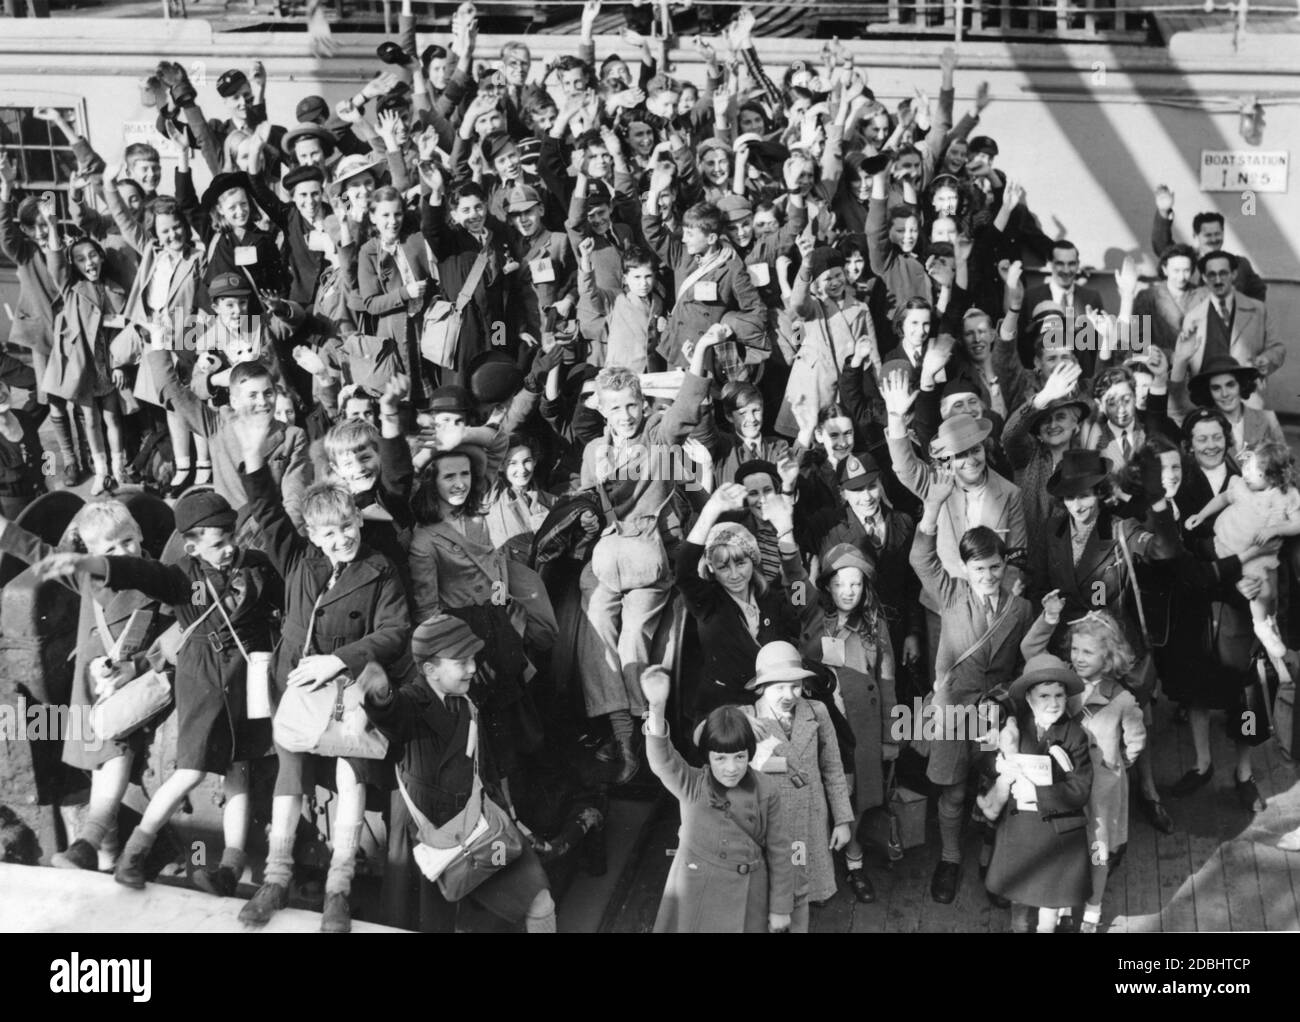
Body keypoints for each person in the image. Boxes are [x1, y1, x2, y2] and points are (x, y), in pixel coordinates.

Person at [36, 490, 279, 897]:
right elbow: (68, 562)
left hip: (197, 679)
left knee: (235, 770)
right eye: (112, 548)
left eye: (129, 542)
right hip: (130, 690)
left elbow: (172, 635)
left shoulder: (222, 570)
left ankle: (219, 865)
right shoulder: (164, 576)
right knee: (133, 758)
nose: (125, 552)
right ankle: (104, 849)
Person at [233, 407, 414, 933]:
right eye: (328, 534)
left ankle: (339, 887)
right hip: (295, 688)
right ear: (311, 535)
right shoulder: (297, 562)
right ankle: (276, 876)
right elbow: (265, 511)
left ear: (359, 519)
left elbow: (394, 631)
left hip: (347, 688)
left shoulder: (379, 570)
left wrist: (339, 660)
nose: (341, 540)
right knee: (290, 778)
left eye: (347, 528)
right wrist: (252, 454)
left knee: (350, 775)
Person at [357, 614, 557, 932]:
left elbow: (486, 768)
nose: (473, 668)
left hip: (482, 824)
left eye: (473, 659)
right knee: (432, 922)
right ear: (429, 670)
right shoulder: (412, 701)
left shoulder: (467, 700)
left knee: (538, 897)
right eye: (461, 661)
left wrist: (511, 816)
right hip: (430, 836)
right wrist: (380, 695)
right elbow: (394, 713)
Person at [910, 463, 1034, 903]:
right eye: (979, 568)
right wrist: (933, 505)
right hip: (953, 710)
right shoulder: (950, 594)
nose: (988, 576)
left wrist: (1010, 703)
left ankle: (989, 860)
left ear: (1005, 564)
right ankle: (949, 858)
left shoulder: (1020, 609)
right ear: (965, 567)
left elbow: (1024, 662)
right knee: (953, 790)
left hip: (995, 709)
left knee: (992, 789)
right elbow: (920, 557)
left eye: (996, 567)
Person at [640, 664, 795, 933]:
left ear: (750, 754)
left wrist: (780, 907)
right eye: (720, 758)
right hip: (698, 895)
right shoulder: (692, 784)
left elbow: (780, 851)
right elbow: (662, 759)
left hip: (748, 898)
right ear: (707, 758)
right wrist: (656, 708)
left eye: (740, 757)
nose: (731, 767)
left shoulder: (766, 789)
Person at [1022, 605, 1144, 933]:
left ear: (1108, 656)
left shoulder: (1122, 700)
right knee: (1066, 846)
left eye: (1088, 651)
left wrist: (1113, 765)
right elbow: (1030, 651)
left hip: (1100, 794)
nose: (1078, 657)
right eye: (1075, 649)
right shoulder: (1062, 678)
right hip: (1065, 784)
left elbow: (1135, 744)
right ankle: (1064, 899)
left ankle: (1093, 907)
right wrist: (1048, 618)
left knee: (1097, 851)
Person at [976, 653, 1093, 933]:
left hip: (1056, 834)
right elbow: (985, 763)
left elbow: (1079, 791)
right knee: (1019, 893)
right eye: (1044, 696)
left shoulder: (1075, 736)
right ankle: (1018, 927)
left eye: (1059, 695)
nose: (1053, 703)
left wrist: (1038, 793)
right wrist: (1000, 762)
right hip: (1020, 831)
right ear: (1029, 698)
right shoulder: (1016, 729)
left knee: (1049, 903)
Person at [741, 641, 853, 931]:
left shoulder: (817, 711)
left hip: (810, 819)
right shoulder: (748, 717)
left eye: (795, 686)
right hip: (770, 824)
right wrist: (738, 720)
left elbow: (832, 768)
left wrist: (842, 819)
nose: (788, 695)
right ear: (761, 688)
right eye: (778, 687)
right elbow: (706, 739)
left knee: (802, 890)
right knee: (772, 896)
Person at [675, 483, 803, 718]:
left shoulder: (771, 599)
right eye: (723, 566)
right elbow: (683, 569)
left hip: (776, 705)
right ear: (711, 568)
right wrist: (711, 509)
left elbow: (799, 594)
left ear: (753, 560)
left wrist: (786, 531)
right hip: (725, 712)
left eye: (741, 563)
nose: (734, 575)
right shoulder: (707, 602)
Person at [1184, 441, 1300, 661]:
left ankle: (1264, 623)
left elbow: (1298, 522)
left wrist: (1275, 528)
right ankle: (1262, 625)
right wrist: (1201, 515)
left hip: (1260, 553)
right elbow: (1222, 498)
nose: (1246, 474)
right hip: (1226, 544)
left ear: (1273, 476)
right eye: (1246, 466)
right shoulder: (1240, 485)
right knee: (1259, 590)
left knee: (1267, 592)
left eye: (1255, 472)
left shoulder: (1286, 495)